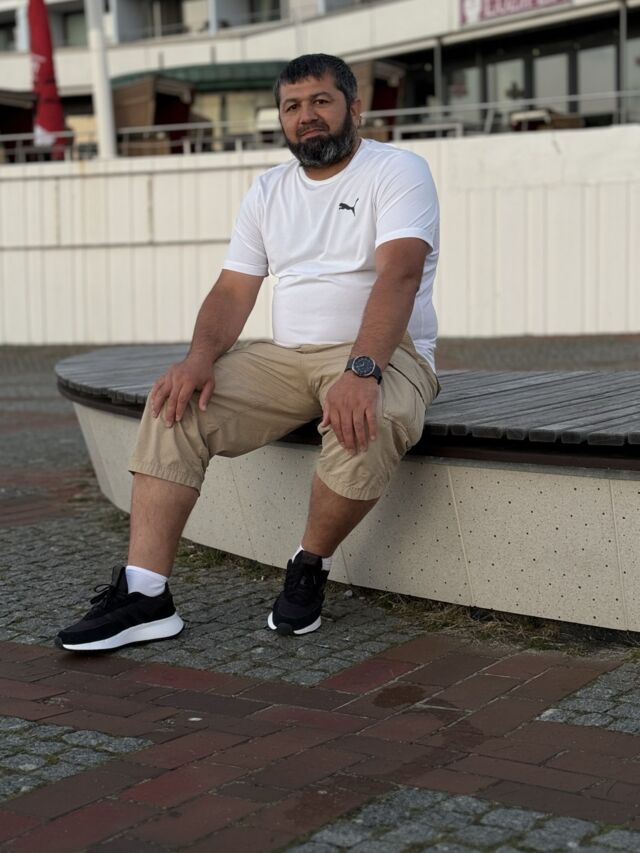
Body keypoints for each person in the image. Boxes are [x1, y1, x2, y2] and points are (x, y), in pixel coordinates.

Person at [56, 53, 440, 652]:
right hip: (285, 356)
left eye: (321, 101)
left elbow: (400, 275)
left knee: (370, 419)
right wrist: (198, 359)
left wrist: (362, 371)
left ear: (354, 108)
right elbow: (234, 289)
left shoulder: (397, 170)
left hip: (384, 352)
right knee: (175, 407)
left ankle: (309, 563)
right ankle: (146, 595)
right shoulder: (268, 189)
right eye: (292, 106)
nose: (306, 116)